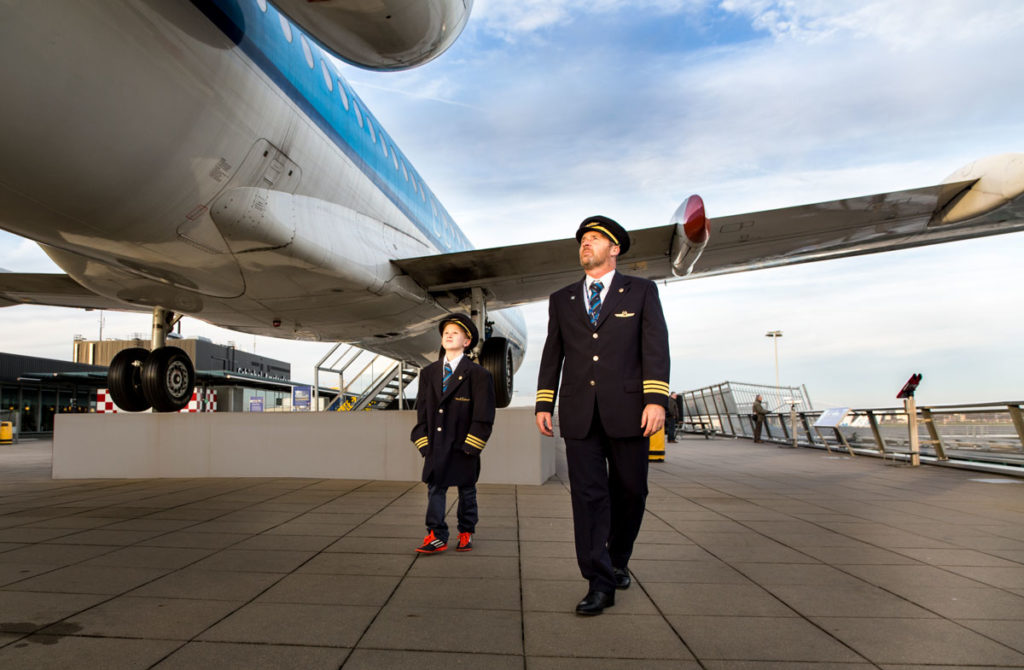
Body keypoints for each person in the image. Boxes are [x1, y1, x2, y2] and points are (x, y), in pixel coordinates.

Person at [535, 215, 670, 616]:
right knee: (588, 497)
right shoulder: (562, 299)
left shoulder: (641, 291)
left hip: (630, 411)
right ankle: (599, 580)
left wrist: (656, 400)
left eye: (594, 239)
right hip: (579, 413)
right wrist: (545, 403)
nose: (585, 244)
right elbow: (552, 353)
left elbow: (655, 348)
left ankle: (617, 557)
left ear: (615, 249)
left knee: (631, 491)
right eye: (582, 240)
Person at [411, 313, 496, 554]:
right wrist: (423, 441)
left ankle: (466, 531)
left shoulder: (479, 375)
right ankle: (436, 535)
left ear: (467, 341)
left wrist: (472, 446)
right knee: (435, 488)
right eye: (445, 332)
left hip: (463, 445)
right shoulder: (428, 373)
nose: (448, 335)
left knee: (466, 489)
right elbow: (423, 410)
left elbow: (484, 415)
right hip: (436, 445)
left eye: (455, 332)